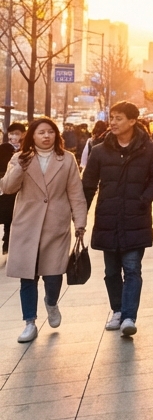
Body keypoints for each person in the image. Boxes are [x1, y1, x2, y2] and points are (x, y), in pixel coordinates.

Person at [83, 101, 153, 337]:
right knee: (111, 272)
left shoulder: (149, 149)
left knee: (132, 269)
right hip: (107, 219)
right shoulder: (99, 150)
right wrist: (80, 217)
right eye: (112, 117)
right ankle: (118, 310)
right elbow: (88, 185)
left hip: (136, 219)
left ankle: (129, 316)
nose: (113, 122)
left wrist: (144, 199)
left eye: (119, 118)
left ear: (132, 121)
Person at [1, 118, 88, 343]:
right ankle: (29, 322)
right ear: (32, 136)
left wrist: (80, 223)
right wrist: (20, 164)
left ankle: (51, 303)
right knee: (27, 277)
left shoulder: (67, 159)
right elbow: (8, 187)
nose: (46, 136)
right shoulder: (20, 158)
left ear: (56, 135)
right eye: (41, 132)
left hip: (55, 225)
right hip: (26, 225)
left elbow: (76, 193)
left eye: (50, 132)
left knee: (53, 274)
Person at [0, 122, 22, 254]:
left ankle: (7, 241)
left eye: (17, 134)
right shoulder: (3, 148)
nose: (14, 136)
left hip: (16, 189)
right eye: (12, 133)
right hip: (3, 186)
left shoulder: (25, 150)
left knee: (11, 217)